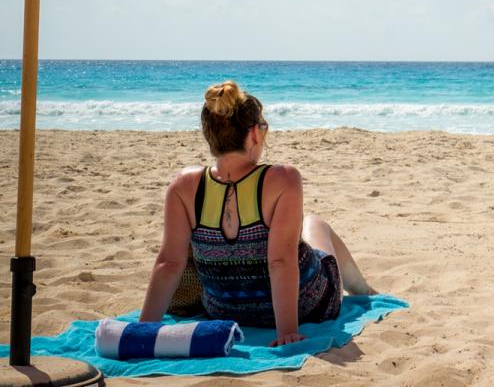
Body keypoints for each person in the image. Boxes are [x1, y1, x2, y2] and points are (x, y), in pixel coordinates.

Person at [139, 81, 374, 346]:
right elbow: (280, 261)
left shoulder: (183, 185)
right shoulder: (283, 179)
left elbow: (169, 263)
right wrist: (286, 332)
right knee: (315, 223)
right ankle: (364, 291)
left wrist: (143, 331)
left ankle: (363, 290)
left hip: (225, 310)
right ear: (254, 134)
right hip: (307, 305)